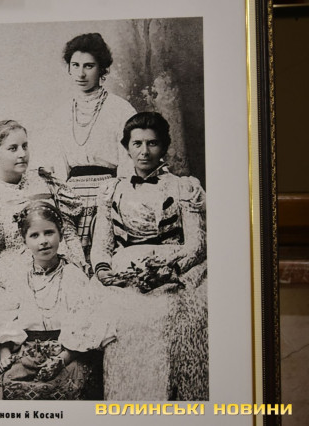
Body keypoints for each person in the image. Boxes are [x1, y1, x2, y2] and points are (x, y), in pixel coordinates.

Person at [90, 111, 208, 400]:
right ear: (127, 147)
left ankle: (163, 401)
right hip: (123, 270)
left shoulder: (182, 187)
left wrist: (168, 270)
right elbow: (101, 245)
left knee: (162, 315)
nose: (144, 151)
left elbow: (196, 244)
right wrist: (104, 272)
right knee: (118, 318)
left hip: (172, 269)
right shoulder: (110, 190)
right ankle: (123, 401)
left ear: (164, 146)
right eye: (137, 143)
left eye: (152, 143)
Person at [0, 119, 86, 332]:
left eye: (25, 146)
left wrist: (76, 264)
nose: (22, 154)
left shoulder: (45, 182)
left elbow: (66, 229)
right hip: (5, 277)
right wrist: (21, 282)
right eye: (13, 148)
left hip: (52, 265)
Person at [0, 201, 115, 400]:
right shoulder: (20, 277)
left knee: (70, 381)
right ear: (24, 240)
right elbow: (3, 317)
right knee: (9, 381)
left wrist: (63, 358)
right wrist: (5, 354)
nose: (43, 241)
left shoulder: (73, 276)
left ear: (61, 235)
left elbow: (85, 322)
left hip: (66, 353)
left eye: (49, 233)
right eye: (34, 235)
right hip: (27, 354)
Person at [41, 33, 137, 255]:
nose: (81, 73)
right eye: (75, 65)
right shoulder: (60, 114)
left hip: (109, 193)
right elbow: (58, 168)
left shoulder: (121, 109)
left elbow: (128, 163)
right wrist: (64, 200)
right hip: (71, 198)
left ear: (102, 69)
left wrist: (117, 197)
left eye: (89, 66)